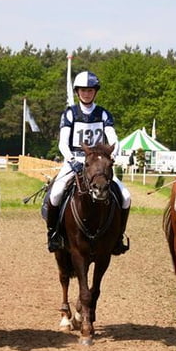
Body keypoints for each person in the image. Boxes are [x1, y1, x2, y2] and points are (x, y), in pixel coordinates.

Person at [44, 70, 131, 254]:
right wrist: (72, 160)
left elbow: (112, 135)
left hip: (99, 163)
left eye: (90, 90)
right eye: (83, 90)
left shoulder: (103, 114)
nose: (87, 93)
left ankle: (118, 237)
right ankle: (53, 235)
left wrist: (113, 152)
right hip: (75, 159)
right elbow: (62, 142)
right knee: (56, 193)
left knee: (125, 196)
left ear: (95, 92)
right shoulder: (70, 114)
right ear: (77, 92)